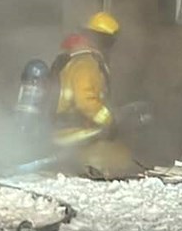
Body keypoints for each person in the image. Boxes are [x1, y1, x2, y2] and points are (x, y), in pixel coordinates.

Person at [50, 11, 139, 178]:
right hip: (76, 133)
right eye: (110, 42)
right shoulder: (86, 64)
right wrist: (108, 120)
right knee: (121, 159)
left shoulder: (75, 59)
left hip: (69, 130)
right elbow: (85, 101)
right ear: (102, 40)